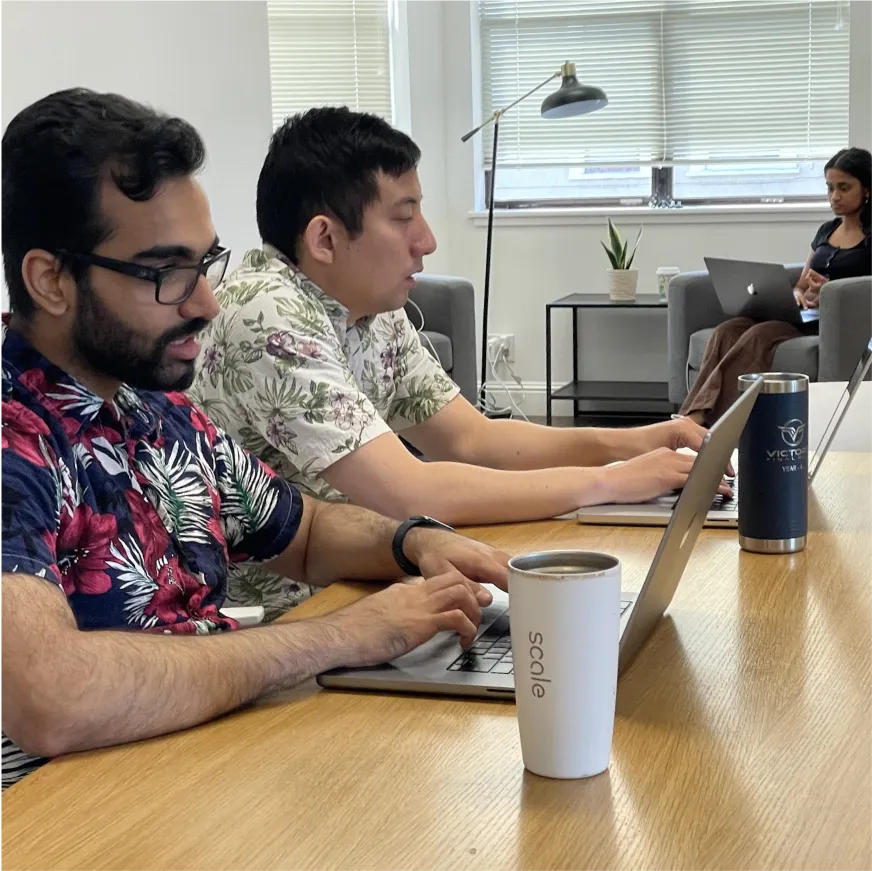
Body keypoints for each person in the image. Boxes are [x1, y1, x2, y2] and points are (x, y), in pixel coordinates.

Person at [0, 90, 510, 791]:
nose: (207, 302)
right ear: (51, 281)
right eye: (167, 273)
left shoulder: (155, 407)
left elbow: (303, 531)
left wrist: (413, 542)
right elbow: (50, 698)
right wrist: (345, 633)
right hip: (67, 817)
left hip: (205, 774)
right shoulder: (13, 436)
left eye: (205, 262)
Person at [191, 106, 718, 613]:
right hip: (286, 617)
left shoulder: (370, 306)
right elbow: (408, 492)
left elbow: (471, 439)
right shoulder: (267, 313)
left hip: (369, 580)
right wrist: (612, 481)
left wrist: (635, 440)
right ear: (325, 238)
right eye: (404, 217)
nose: (428, 241)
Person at [681, 147, 872, 426]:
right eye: (830, 188)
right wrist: (796, 294)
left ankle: (715, 423)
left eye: (844, 188)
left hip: (835, 322)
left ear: (866, 189)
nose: (834, 197)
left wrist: (829, 290)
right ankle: (691, 415)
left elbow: (862, 290)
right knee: (728, 329)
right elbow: (801, 282)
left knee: (758, 335)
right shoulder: (826, 230)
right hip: (803, 313)